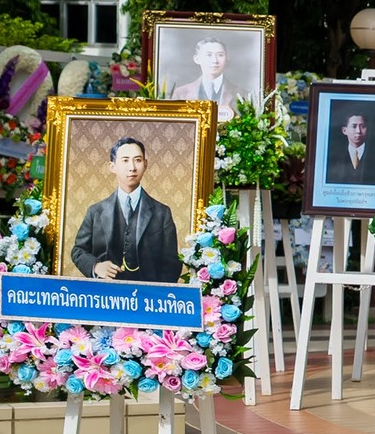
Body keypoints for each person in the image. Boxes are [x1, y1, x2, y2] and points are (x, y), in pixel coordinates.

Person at [69, 136, 182, 283]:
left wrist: (155, 292)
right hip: (105, 292)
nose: (132, 167)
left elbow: (172, 264)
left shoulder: (162, 213)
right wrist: (96, 266)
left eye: (138, 160)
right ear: (112, 166)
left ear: (145, 164)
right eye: (125, 160)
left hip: (147, 294)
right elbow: (78, 251)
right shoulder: (96, 212)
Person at [168, 36, 245, 107]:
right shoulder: (180, 93)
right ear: (197, 59)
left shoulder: (242, 94)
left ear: (227, 59)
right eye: (209, 55)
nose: (215, 60)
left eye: (220, 55)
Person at [323, 105, 375, 187]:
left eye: (363, 126)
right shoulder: (334, 157)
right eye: (354, 126)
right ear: (344, 130)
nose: (358, 131)